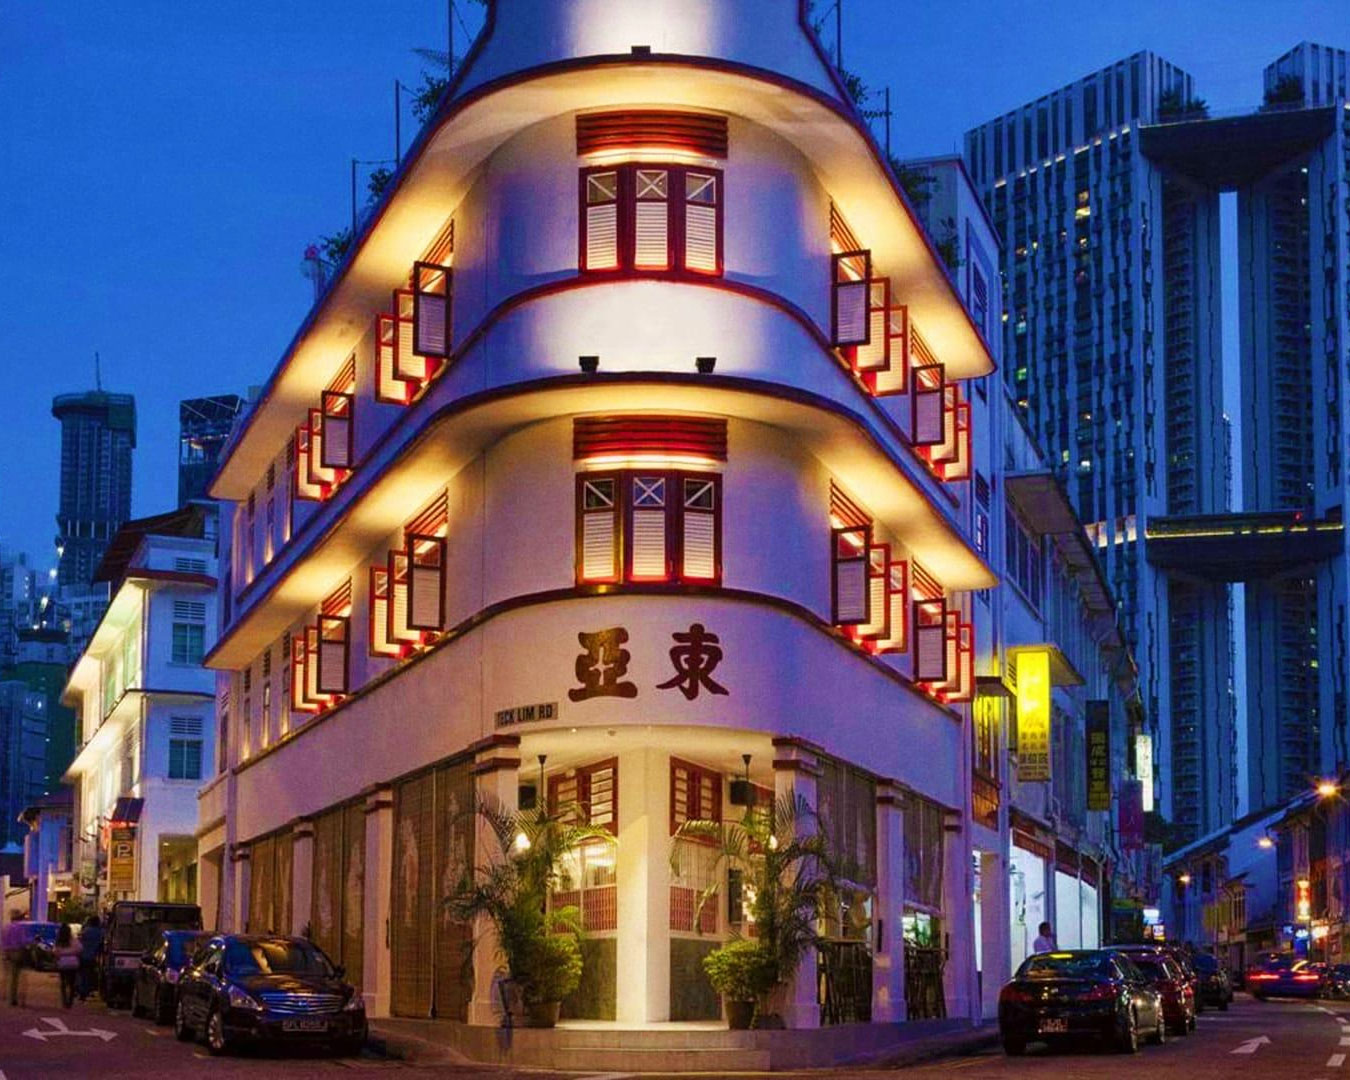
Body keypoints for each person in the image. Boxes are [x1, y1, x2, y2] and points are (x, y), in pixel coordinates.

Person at [3, 921, 30, 1006]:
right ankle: (22, 998)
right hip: (19, 952)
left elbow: (4, 940)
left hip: (10, 952)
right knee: (22, 976)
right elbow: (24, 941)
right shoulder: (21, 927)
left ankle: (12, 998)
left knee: (12, 977)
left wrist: (6, 952)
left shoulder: (7, 927)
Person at [77, 914, 103, 1002]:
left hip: (83, 955)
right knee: (90, 974)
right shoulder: (100, 932)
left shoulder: (86, 931)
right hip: (93, 956)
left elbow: (80, 940)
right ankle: (88, 990)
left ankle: (82, 992)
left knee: (83, 974)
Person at [54, 924, 80, 1008]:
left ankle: (64, 1000)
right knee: (72, 983)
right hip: (73, 962)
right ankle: (70, 1001)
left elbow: (55, 952)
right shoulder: (74, 940)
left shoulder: (59, 941)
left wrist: (59, 956)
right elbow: (80, 948)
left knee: (63, 982)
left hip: (63, 962)